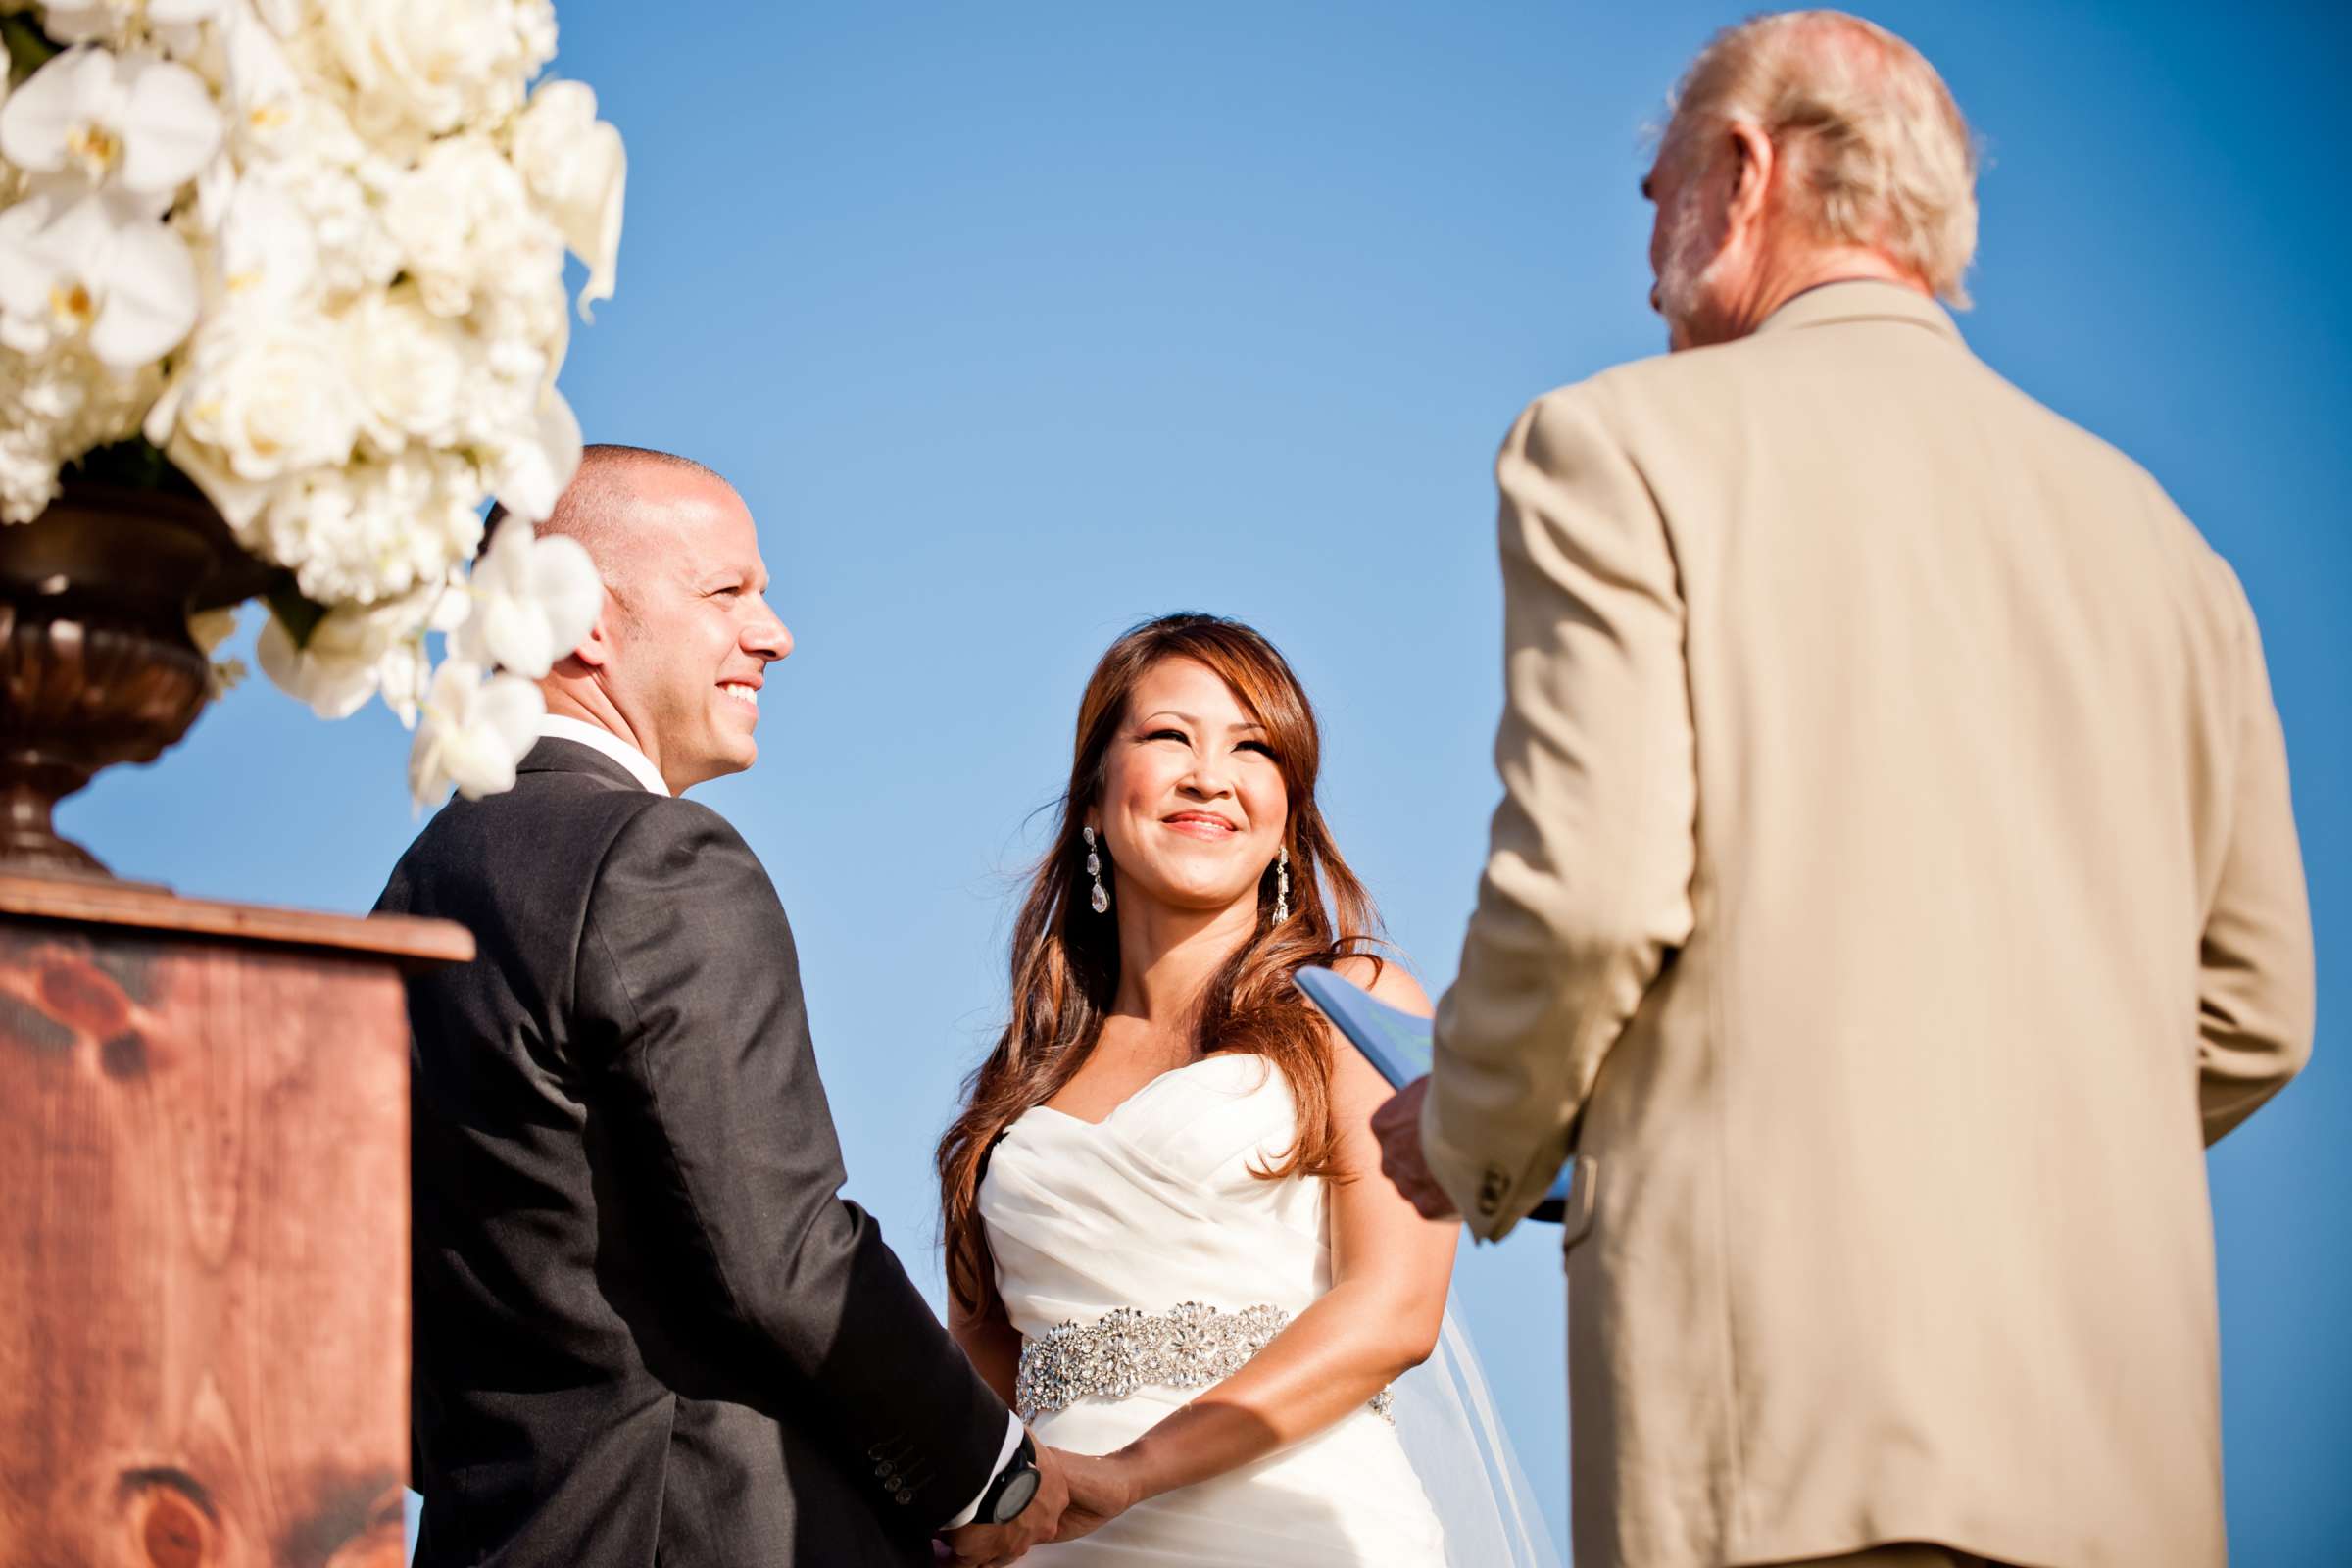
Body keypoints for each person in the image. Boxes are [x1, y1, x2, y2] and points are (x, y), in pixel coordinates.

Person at [1371, 12, 2315, 1568]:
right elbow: (2259, 1009)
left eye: (1659, 201)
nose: (1649, 269)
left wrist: (1477, 1130)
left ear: (1743, 178)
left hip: (1783, 1448)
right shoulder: (2172, 554)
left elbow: (1593, 896)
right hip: (2126, 1474)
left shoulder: (1621, 447)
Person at [377, 444, 1072, 1567]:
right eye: (727, 592)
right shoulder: (655, 859)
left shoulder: (419, 883)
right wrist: (988, 1476)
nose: (775, 632)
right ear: (585, 623)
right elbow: (783, 1256)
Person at [937, 614, 1557, 1566]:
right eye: (1168, 736)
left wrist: (1135, 1470)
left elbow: (1394, 1310)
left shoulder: (1361, 1007)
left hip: (1299, 1529)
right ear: (1097, 796)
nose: (1208, 774)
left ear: (1287, 811)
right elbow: (979, 1357)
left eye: (1252, 746)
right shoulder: (1015, 1087)